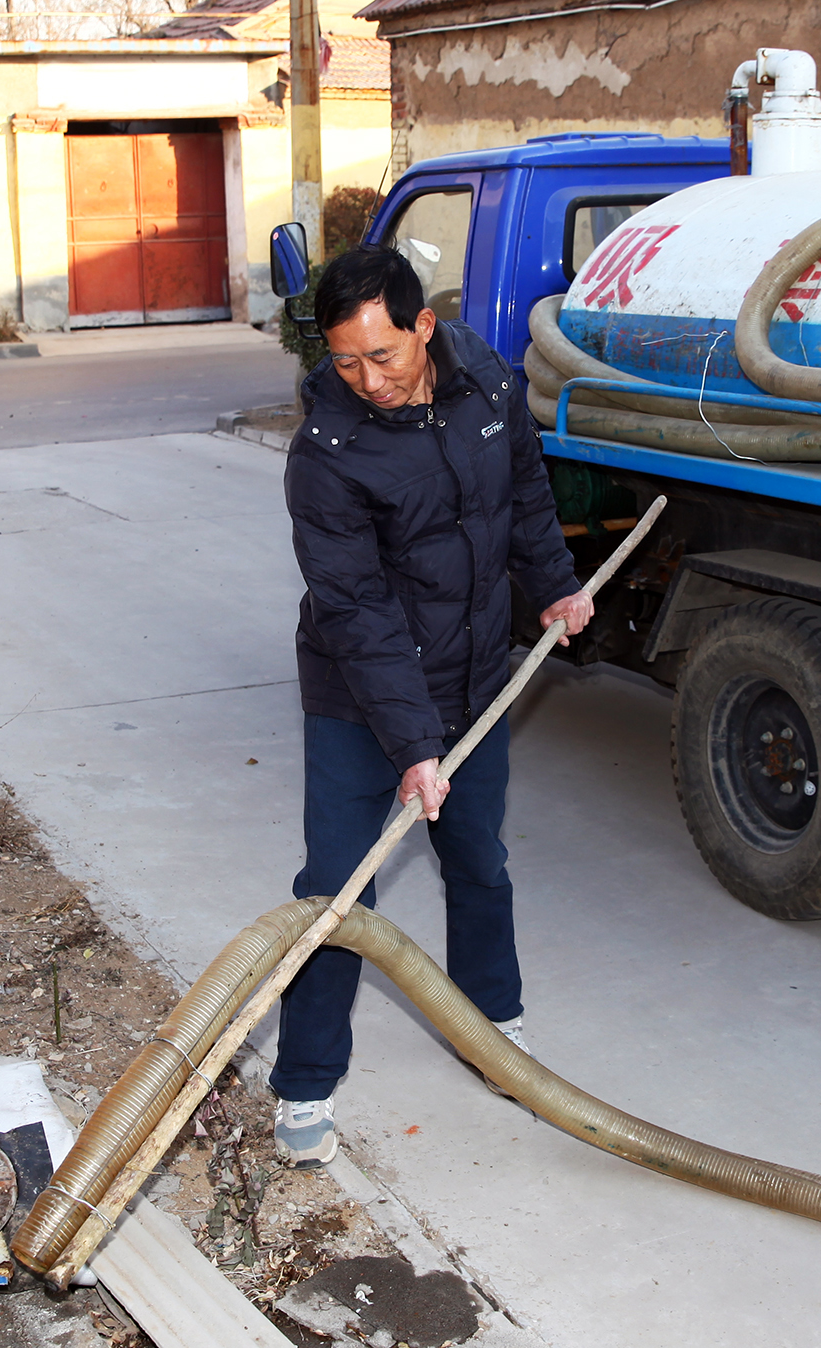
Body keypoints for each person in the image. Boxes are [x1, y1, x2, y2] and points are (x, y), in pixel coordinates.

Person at [272, 243, 593, 1166]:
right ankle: (304, 1082)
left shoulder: (485, 380)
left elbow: (524, 499)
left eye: (383, 355)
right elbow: (357, 610)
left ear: (424, 325)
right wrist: (413, 746)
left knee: (479, 863)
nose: (365, 378)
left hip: (472, 677)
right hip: (357, 696)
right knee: (338, 890)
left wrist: (555, 585)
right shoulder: (326, 455)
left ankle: (492, 1028)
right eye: (342, 360)